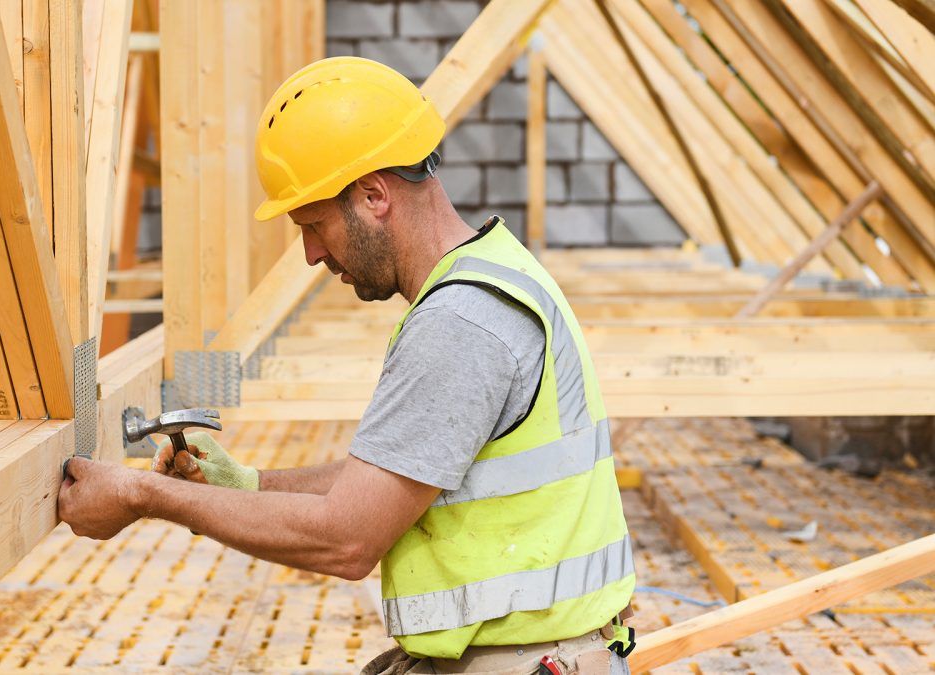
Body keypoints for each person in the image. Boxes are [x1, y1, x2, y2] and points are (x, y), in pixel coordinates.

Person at [58, 57, 635, 674]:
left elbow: (348, 537)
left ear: (373, 194)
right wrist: (247, 486)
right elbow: (402, 470)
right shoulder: (495, 273)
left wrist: (146, 496)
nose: (310, 253)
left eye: (314, 224)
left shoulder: (459, 324)